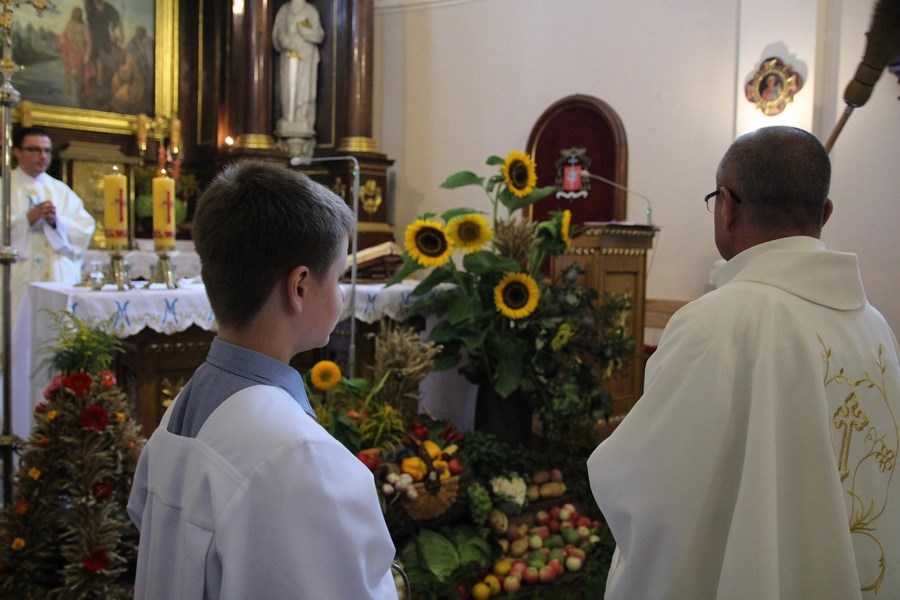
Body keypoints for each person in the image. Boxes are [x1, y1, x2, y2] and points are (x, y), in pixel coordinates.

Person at [588, 126, 900, 599]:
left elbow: (651, 495)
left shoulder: (715, 324)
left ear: (726, 207)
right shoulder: (875, 328)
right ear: (825, 213)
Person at [127, 162, 398, 599]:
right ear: (300, 287)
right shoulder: (299, 455)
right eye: (338, 277)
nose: (341, 295)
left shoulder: (184, 404)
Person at [9, 126, 95, 322]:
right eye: (35, 150)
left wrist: (57, 223)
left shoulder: (60, 190)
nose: (43, 156)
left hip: (56, 275)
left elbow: (84, 227)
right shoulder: (4, 186)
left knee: (56, 326)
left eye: (47, 151)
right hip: (16, 276)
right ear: (17, 152)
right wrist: (26, 220)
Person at [272, 0, 325, 136]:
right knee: (287, 88)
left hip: (306, 58)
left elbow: (319, 35)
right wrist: (283, 39)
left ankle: (302, 117)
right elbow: (277, 34)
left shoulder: (310, 11)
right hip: (288, 56)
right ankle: (288, 117)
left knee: (304, 90)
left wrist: (305, 32)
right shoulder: (283, 11)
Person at [58, 7, 88, 99]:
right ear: (73, 13)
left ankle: (79, 92)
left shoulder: (84, 25)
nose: (78, 15)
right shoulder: (69, 23)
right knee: (67, 72)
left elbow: (87, 39)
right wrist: (64, 44)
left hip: (80, 51)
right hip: (69, 50)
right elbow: (63, 35)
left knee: (80, 74)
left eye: (79, 13)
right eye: (76, 13)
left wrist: (86, 52)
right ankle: (68, 91)